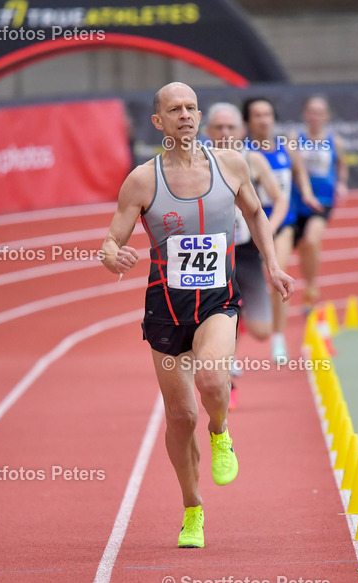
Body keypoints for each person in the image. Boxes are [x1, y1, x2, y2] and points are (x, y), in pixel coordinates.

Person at [101, 82, 294, 548]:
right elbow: (111, 241)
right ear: (158, 121)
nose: (185, 115)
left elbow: (256, 214)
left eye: (191, 108)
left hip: (217, 299)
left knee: (211, 377)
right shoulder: (142, 180)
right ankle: (192, 509)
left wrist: (271, 264)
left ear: (200, 116)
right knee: (181, 416)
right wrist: (112, 256)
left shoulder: (231, 164)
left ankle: (221, 431)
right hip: (166, 307)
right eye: (175, 109)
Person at [203, 102, 289, 409]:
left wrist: (268, 229)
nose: (225, 133)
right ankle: (227, 378)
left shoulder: (253, 160)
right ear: (208, 131)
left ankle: (234, 323)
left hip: (247, 251)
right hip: (212, 253)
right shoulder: (198, 160)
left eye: (231, 127)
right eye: (219, 127)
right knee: (215, 318)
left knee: (261, 330)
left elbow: (279, 199)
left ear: (241, 130)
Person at [242, 96, 321, 363]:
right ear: (248, 121)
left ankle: (278, 337)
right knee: (237, 283)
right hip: (249, 227)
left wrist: (307, 193)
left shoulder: (286, 149)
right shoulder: (243, 154)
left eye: (267, 114)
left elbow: (299, 173)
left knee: (277, 273)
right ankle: (233, 348)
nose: (263, 120)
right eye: (257, 115)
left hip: (282, 224)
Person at [290, 95, 348, 314]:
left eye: (319, 112)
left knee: (311, 240)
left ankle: (310, 287)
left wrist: (341, 183)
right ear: (306, 114)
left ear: (327, 116)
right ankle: (308, 283)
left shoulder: (335, 141)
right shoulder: (295, 138)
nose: (315, 116)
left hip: (323, 201)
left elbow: (342, 164)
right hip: (297, 202)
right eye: (312, 112)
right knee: (302, 246)